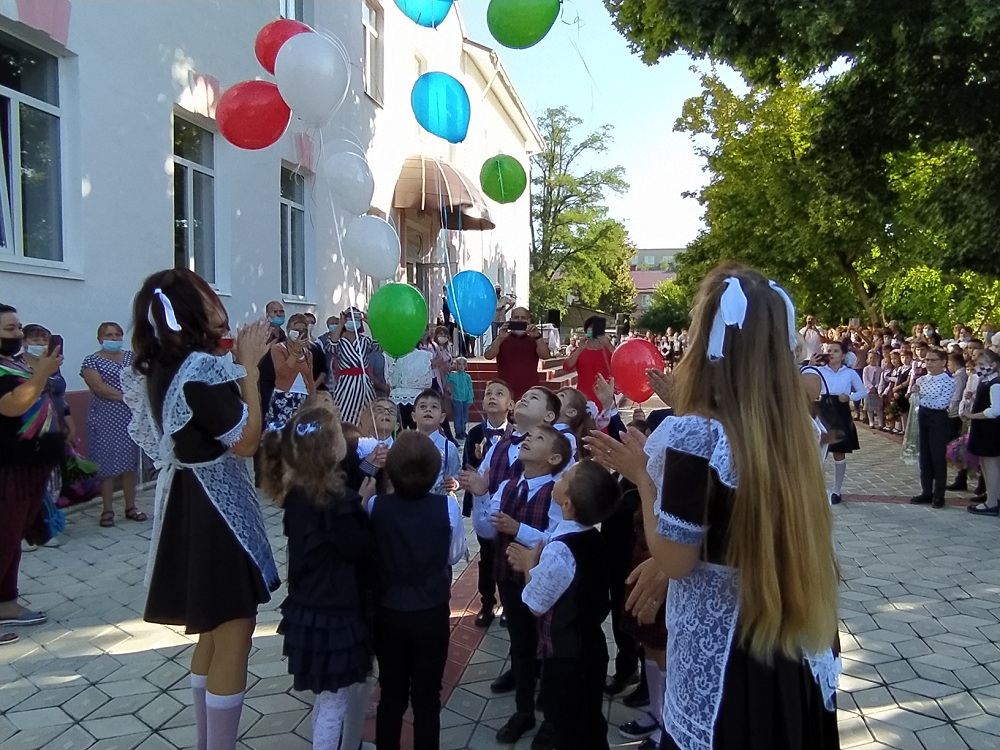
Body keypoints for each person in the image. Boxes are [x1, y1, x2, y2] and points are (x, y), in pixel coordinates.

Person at [588, 265, 840, 750]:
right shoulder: (795, 430)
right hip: (793, 649)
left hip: (730, 667)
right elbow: (744, 525)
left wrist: (643, 478)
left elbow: (676, 560)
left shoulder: (696, 435)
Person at [123, 269, 279, 750]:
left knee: (211, 632)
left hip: (189, 503)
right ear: (191, 308)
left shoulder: (163, 365)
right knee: (234, 629)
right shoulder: (198, 370)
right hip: (216, 512)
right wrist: (249, 369)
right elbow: (246, 442)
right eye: (207, 295)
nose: (217, 302)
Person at [260, 407, 376, 750]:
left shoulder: (297, 495)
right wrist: (363, 504)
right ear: (331, 448)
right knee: (334, 702)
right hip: (334, 613)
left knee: (325, 698)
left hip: (308, 608)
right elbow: (359, 547)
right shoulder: (337, 502)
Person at [466, 425, 573, 747]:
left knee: (550, 647)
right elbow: (487, 531)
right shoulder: (508, 485)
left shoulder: (557, 492)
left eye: (538, 438)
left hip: (545, 584)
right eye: (529, 436)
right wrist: (481, 495)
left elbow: (558, 539)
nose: (527, 439)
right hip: (510, 579)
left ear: (554, 458)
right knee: (521, 644)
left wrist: (518, 529)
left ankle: (552, 716)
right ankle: (523, 710)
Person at [508, 460, 623, 750]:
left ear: (568, 504)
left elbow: (536, 603)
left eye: (565, 477)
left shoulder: (560, 550)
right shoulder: (591, 536)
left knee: (568, 725)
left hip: (565, 656)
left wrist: (528, 565)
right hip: (592, 646)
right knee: (590, 718)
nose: (559, 477)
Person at [368, 432, 467, 750]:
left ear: (391, 471)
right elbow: (454, 554)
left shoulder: (376, 505)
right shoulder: (446, 507)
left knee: (391, 692)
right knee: (427, 697)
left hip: (388, 611)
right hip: (431, 610)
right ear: (436, 470)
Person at [0, 304, 64, 644]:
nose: (19, 334)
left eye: (18, 327)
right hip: (7, 467)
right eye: (10, 329)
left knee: (12, 538)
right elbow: (14, 405)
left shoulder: (14, 363)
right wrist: (42, 373)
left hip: (30, 465)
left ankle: (6, 602)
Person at [81, 321, 145, 528]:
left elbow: (143, 379)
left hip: (130, 418)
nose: (114, 338)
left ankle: (131, 506)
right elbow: (98, 387)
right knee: (106, 466)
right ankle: (107, 510)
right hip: (104, 419)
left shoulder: (131, 358)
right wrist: (127, 396)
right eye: (109, 335)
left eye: (117, 335)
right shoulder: (92, 361)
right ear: (100, 338)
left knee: (130, 464)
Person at [461, 380, 513, 628]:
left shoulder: (516, 433)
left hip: (507, 506)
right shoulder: (475, 433)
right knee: (487, 555)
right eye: (489, 393)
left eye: (499, 393)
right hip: (482, 505)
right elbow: (467, 468)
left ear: (510, 404)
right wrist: (476, 458)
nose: (492, 397)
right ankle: (487, 602)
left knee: (507, 555)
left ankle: (509, 605)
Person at [819, 339, 865, 504]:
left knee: (839, 451)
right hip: (822, 410)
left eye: (835, 351)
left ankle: (836, 490)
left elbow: (863, 391)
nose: (831, 353)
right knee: (819, 451)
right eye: (829, 350)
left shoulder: (849, 373)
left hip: (840, 410)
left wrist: (850, 397)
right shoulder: (819, 370)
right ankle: (816, 489)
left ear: (843, 356)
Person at [910, 346, 956, 508]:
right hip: (923, 417)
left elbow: (941, 404)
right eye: (927, 360)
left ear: (943, 362)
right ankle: (926, 491)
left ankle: (939, 495)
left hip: (938, 419)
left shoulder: (948, 381)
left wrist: (921, 397)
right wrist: (915, 393)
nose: (929, 363)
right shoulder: (922, 380)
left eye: (933, 360)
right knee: (925, 457)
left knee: (937, 457)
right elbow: (913, 399)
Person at [263, 314, 316, 432]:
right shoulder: (278, 349)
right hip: (284, 396)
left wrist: (313, 399)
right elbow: (282, 373)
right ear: (288, 330)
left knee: (301, 433)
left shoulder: (308, 354)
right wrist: (295, 352)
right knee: (279, 432)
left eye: (303, 330)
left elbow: (310, 378)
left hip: (303, 398)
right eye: (296, 329)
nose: (299, 333)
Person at [484, 307, 551, 400]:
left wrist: (537, 337)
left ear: (528, 321)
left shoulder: (534, 339)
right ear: (510, 320)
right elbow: (488, 356)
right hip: (506, 392)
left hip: (529, 393)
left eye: (523, 318)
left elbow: (546, 356)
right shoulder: (502, 339)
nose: (519, 320)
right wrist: (500, 338)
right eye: (516, 317)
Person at [328, 307, 378, 426]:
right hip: (346, 384)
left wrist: (370, 323)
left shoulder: (364, 340)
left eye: (356, 318)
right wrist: (341, 323)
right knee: (344, 414)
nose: (353, 321)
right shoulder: (340, 342)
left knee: (367, 415)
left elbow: (377, 346)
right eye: (350, 317)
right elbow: (331, 346)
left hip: (364, 383)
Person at [965, 349, 1000, 516]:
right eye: (977, 364)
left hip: (991, 430)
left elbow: (995, 410)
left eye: (981, 364)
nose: (978, 367)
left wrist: (972, 415)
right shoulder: (985, 382)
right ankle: (993, 496)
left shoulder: (995, 384)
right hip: (983, 428)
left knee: (991, 463)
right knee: (986, 464)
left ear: (992, 365)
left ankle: (992, 502)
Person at [412, 390, 461, 498]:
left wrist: (455, 483)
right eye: (423, 406)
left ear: (442, 417)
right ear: (414, 416)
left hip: (439, 500)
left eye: (434, 407)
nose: (428, 410)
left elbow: (457, 473)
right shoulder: (406, 444)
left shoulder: (449, 447)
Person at [564, 317, 614, 405]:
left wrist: (609, 345)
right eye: (590, 328)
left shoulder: (607, 350)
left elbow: (621, 363)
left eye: (596, 328)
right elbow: (567, 367)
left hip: (604, 397)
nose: (593, 331)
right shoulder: (580, 350)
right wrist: (579, 349)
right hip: (584, 398)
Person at [387, 345, 434, 430]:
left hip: (398, 398)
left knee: (399, 432)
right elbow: (427, 382)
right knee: (416, 432)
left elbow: (391, 381)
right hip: (416, 398)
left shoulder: (393, 356)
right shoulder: (424, 356)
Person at [446, 357, 474, 439]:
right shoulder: (453, 375)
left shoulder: (467, 377)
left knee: (464, 416)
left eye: (463, 364)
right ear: (456, 365)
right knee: (458, 416)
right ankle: (458, 432)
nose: (461, 366)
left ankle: (463, 430)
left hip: (465, 399)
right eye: (459, 364)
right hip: (457, 399)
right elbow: (446, 379)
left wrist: (470, 398)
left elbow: (470, 388)